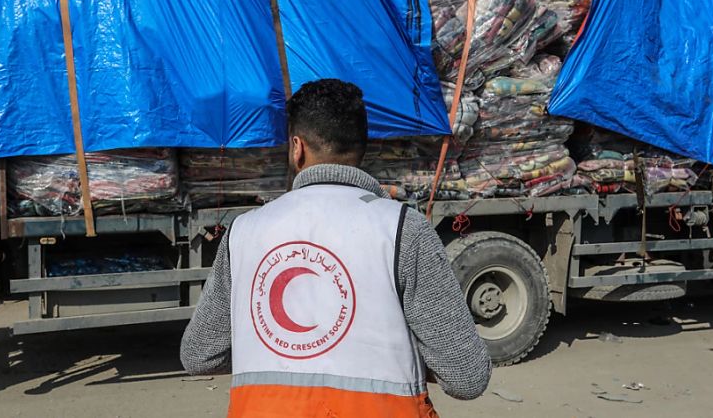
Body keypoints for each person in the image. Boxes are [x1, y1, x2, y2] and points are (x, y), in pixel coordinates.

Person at [180, 79, 491, 417]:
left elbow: (199, 355)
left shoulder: (244, 232)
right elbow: (466, 376)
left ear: (297, 148)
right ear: (363, 148)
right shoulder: (403, 229)